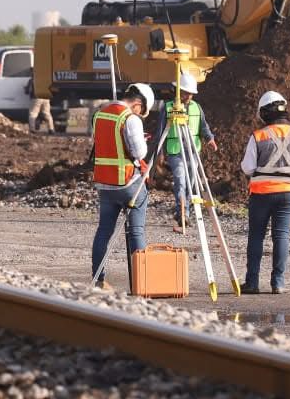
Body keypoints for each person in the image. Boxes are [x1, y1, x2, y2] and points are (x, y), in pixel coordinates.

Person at [240, 90, 290, 295]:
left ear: (264, 113)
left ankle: (252, 283)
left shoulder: (258, 136)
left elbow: (248, 168)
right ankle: (278, 283)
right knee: (281, 235)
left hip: (261, 193)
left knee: (256, 236)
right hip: (289, 194)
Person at [89, 83, 155, 290]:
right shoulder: (130, 118)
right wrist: (141, 140)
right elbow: (139, 153)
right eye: (142, 112)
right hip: (128, 183)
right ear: (137, 104)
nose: (141, 116)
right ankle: (142, 284)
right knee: (136, 232)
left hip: (104, 183)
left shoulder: (100, 114)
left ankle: (98, 280)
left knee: (103, 231)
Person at [153, 71, 217, 230]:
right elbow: (160, 131)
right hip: (176, 152)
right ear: (178, 91)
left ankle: (186, 211)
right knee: (181, 181)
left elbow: (203, 126)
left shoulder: (197, 107)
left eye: (191, 94)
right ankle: (183, 212)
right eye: (186, 93)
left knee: (191, 183)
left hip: (193, 151)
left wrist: (210, 138)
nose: (188, 96)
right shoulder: (168, 108)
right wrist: (159, 153)